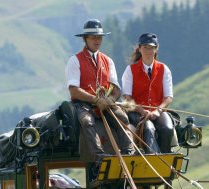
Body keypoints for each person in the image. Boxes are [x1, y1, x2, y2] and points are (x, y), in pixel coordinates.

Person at [65, 19, 134, 164]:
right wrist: (95, 100)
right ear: (85, 39)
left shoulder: (108, 61)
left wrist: (111, 100)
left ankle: (129, 152)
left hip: (106, 104)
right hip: (84, 105)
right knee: (87, 121)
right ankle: (98, 156)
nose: (97, 40)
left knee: (122, 117)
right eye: (93, 37)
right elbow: (74, 91)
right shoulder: (75, 60)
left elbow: (116, 88)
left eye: (99, 37)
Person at [121, 33, 176, 154]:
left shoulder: (164, 69)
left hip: (158, 111)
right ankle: (154, 159)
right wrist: (141, 110)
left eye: (151, 47)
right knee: (149, 128)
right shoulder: (130, 70)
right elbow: (127, 97)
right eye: (145, 47)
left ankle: (167, 159)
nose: (148, 50)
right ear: (139, 49)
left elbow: (168, 98)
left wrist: (158, 111)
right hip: (136, 112)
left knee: (167, 128)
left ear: (156, 49)